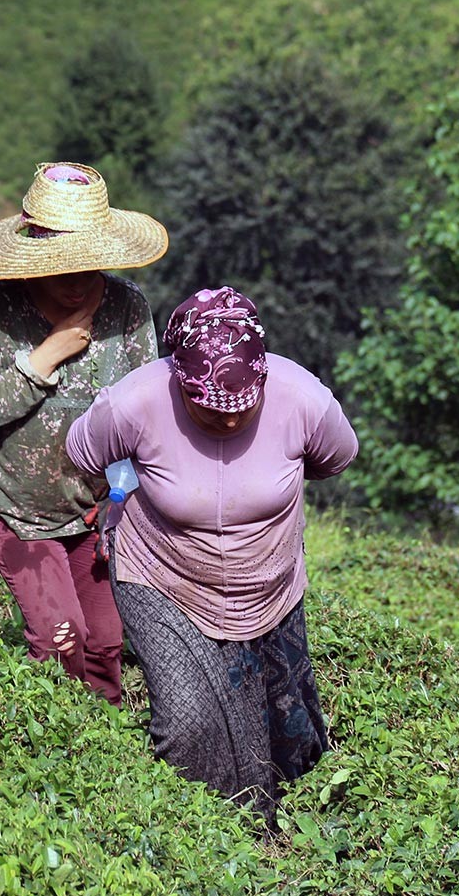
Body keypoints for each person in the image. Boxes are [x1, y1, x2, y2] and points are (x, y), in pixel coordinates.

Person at [66, 286, 357, 819]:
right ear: (179, 381)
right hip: (160, 576)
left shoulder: (304, 399)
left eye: (241, 407)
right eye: (209, 406)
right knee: (189, 721)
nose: (227, 420)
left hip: (267, 584)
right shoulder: (135, 402)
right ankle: (196, 835)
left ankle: (284, 832)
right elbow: (84, 450)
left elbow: (336, 456)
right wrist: (125, 490)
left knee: (284, 719)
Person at [0, 161, 169, 704]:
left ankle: (98, 756)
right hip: (15, 507)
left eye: (88, 265)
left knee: (104, 643)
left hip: (97, 507)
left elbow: (146, 414)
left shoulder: (127, 308)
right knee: (60, 639)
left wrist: (125, 500)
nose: (77, 281)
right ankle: (41, 752)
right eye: (62, 267)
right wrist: (45, 355)